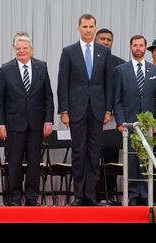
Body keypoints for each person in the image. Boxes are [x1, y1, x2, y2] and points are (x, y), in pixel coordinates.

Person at [57, 14, 113, 206]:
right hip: (76, 110)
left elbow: (108, 83)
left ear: (95, 28)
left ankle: (91, 195)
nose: (88, 30)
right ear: (78, 28)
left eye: (91, 27)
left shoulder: (104, 52)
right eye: (85, 27)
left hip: (97, 110)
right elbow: (62, 82)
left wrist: (108, 109)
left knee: (94, 152)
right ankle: (79, 195)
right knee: (79, 152)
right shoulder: (69, 52)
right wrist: (64, 110)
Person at [0, 33, 54, 206]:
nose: (21, 51)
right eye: (18, 48)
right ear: (14, 49)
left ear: (31, 50)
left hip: (36, 125)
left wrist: (48, 120)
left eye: (24, 48)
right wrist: (0, 124)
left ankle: (32, 197)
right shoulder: (6, 69)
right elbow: (0, 100)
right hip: (13, 125)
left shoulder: (41, 67)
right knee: (14, 163)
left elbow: (48, 96)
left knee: (35, 163)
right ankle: (13, 197)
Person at [114, 35, 156, 206]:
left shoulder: (154, 70)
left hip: (149, 123)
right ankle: (132, 196)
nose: (138, 48)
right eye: (135, 45)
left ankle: (146, 195)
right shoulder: (120, 70)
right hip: (129, 123)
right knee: (131, 160)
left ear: (145, 48)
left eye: (141, 45)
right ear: (130, 47)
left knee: (146, 160)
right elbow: (116, 99)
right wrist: (120, 122)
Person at [95, 28, 125, 205]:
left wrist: (111, 112)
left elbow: (122, 93)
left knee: (111, 158)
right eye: (103, 39)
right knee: (90, 158)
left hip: (111, 120)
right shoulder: (87, 61)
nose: (106, 42)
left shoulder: (120, 65)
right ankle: (90, 195)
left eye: (109, 39)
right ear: (96, 40)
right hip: (90, 118)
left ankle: (108, 195)